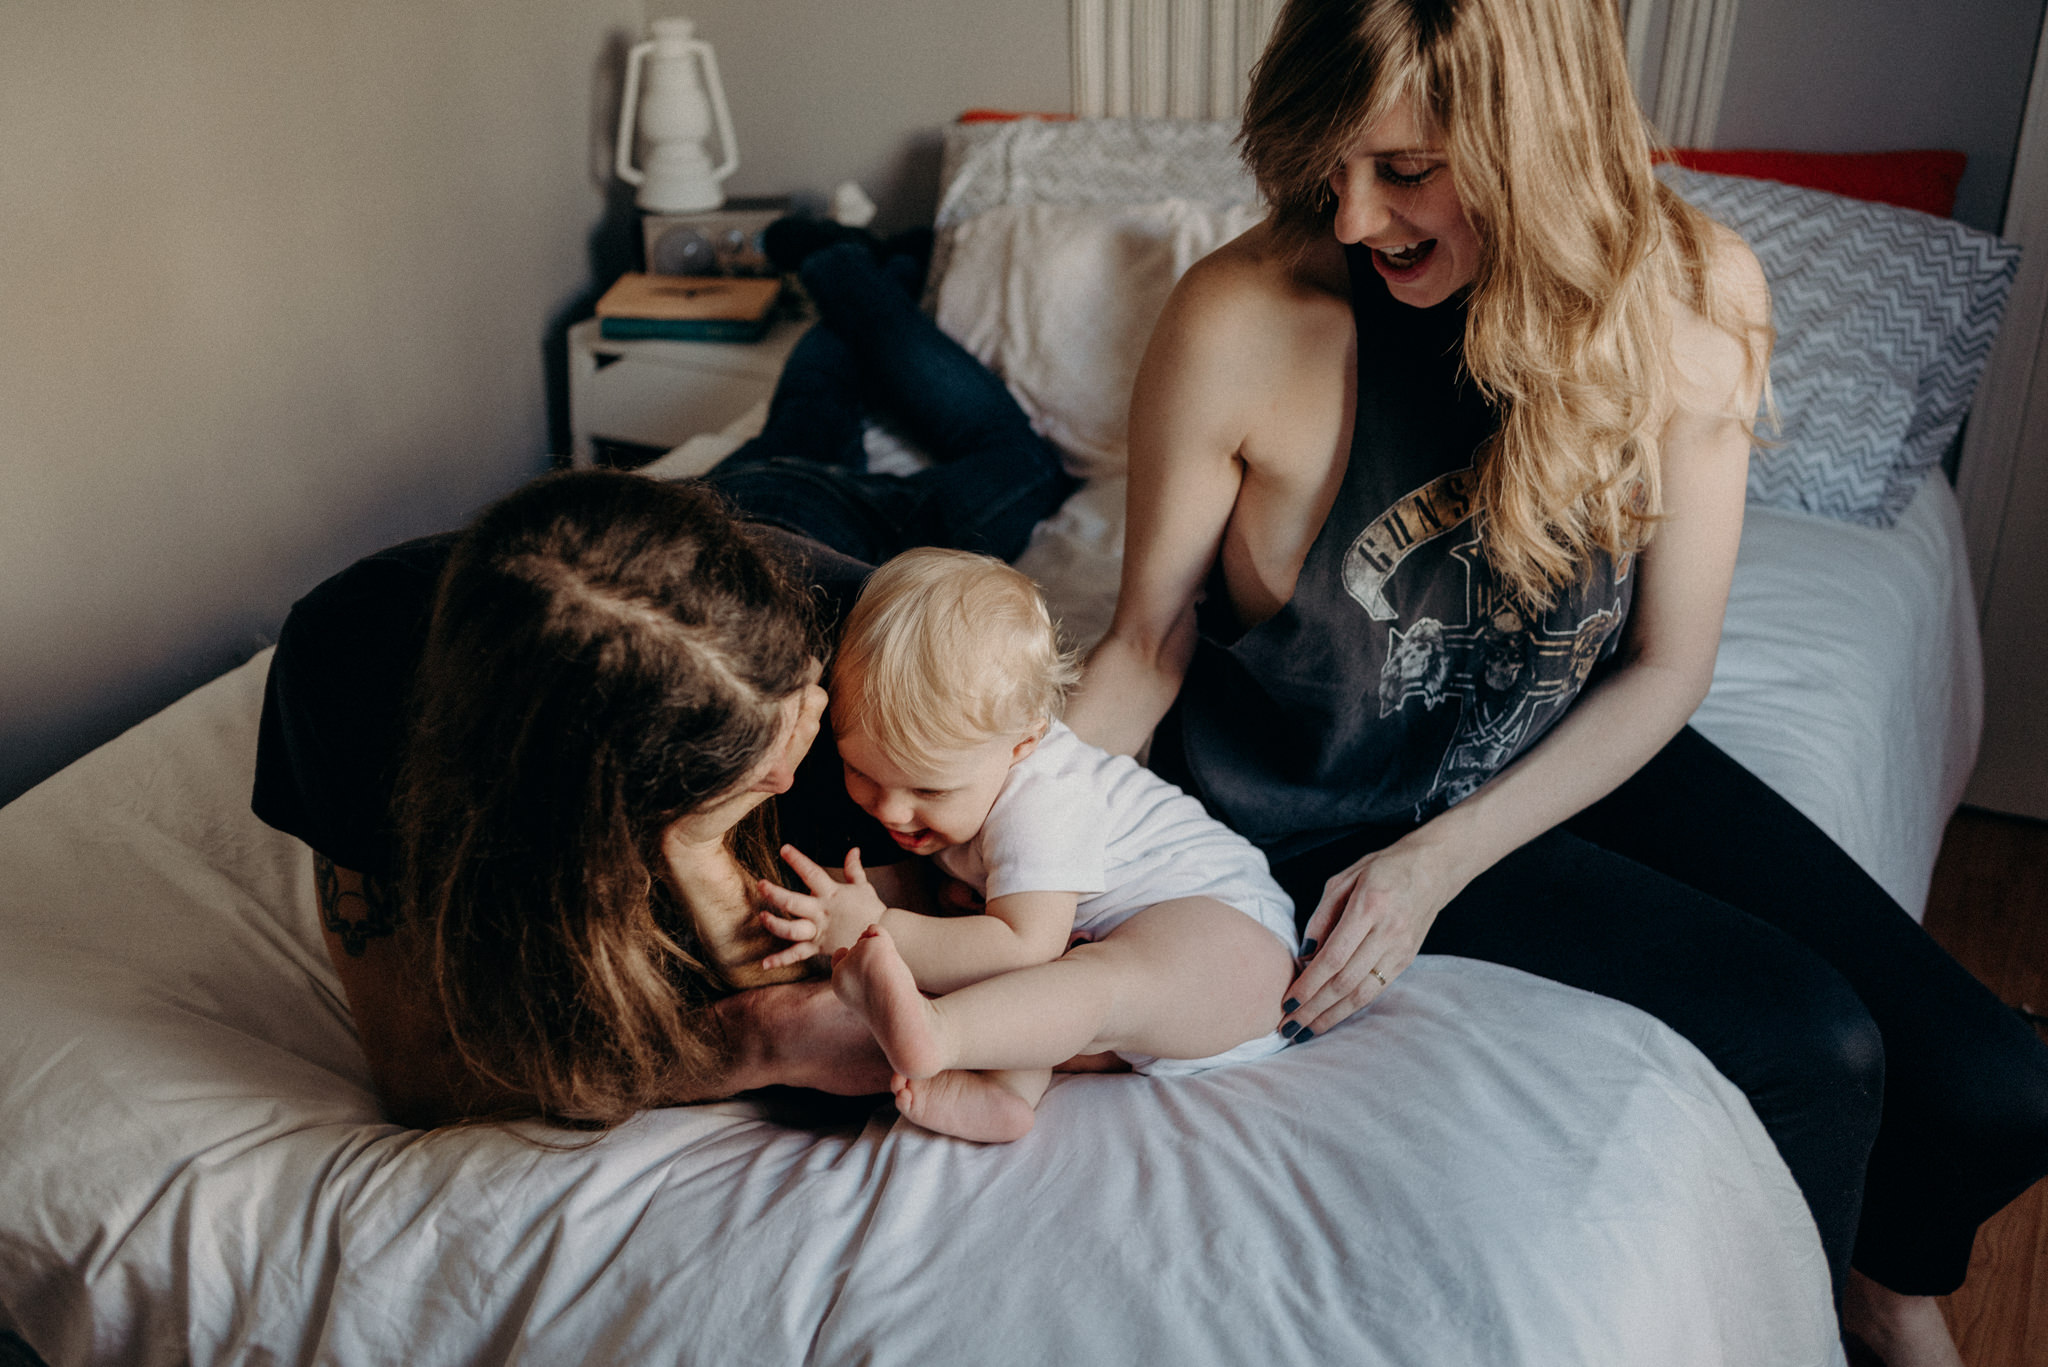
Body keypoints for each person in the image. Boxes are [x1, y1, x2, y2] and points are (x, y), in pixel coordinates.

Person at [1061, 1, 2048, 1362]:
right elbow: (1140, 652)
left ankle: (1892, 1272)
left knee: (2003, 1083)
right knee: (1816, 1045)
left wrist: (1441, 866)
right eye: (1325, 166)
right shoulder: (1245, 315)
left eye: (1405, 170)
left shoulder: (1697, 302)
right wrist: (986, 848)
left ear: (1542, 140)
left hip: (1568, 745)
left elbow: (1668, 666)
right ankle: (1839, 1323)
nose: (1351, 218)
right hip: (1323, 804)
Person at [252, 240, 1081, 1131]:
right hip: (684, 538)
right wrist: (748, 1038)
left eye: (806, 707)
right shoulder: (343, 665)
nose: (798, 758)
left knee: (1014, 467)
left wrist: (697, 848)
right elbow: (418, 1073)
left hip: (807, 528)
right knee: (794, 431)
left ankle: (844, 270)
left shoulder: (853, 657)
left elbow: (887, 952)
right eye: (747, 775)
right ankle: (836, 307)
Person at [751, 548, 1297, 1142]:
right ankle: (1004, 1091)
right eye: (863, 772)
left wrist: (879, 925)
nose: (892, 809)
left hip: (1235, 937)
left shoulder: (1044, 796)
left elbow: (1020, 946)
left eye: (927, 786)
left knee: (1094, 979)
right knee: (1059, 985)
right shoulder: (962, 781)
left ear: (1022, 744)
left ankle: (941, 1035)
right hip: (1141, 977)